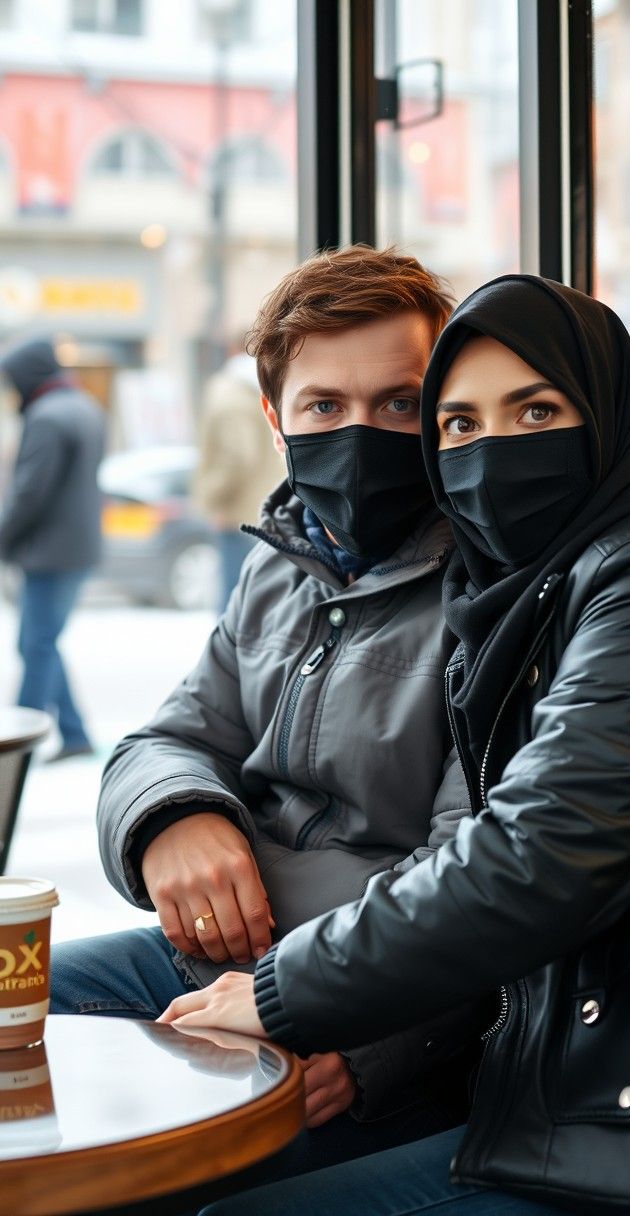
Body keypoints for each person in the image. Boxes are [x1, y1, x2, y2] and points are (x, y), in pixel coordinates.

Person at [160, 276, 630, 1216]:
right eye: (461, 426)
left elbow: (530, 855)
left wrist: (280, 995)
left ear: (605, 409)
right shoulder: (526, 590)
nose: (495, 452)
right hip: (575, 1070)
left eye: (536, 410)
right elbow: (173, 736)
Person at [50, 246, 480, 1172]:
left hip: (366, 1010)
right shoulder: (279, 565)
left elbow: (485, 878)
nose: (360, 435)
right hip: (203, 961)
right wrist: (175, 817)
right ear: (275, 419)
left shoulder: (493, 591)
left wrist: (371, 1053)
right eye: (325, 406)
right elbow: (169, 738)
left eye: (398, 404)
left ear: (443, 410)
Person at [0, 337, 105, 761]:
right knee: (40, 640)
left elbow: (29, 494)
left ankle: (15, 752)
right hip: (76, 548)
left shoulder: (47, 417)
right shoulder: (84, 406)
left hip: (49, 552)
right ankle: (74, 733)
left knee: (37, 644)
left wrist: (3, 540)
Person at [192, 345, 286, 611]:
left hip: (237, 514)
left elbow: (236, 457)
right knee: (258, 602)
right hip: (269, 510)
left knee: (234, 605)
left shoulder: (228, 394)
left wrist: (213, 501)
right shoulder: (267, 387)